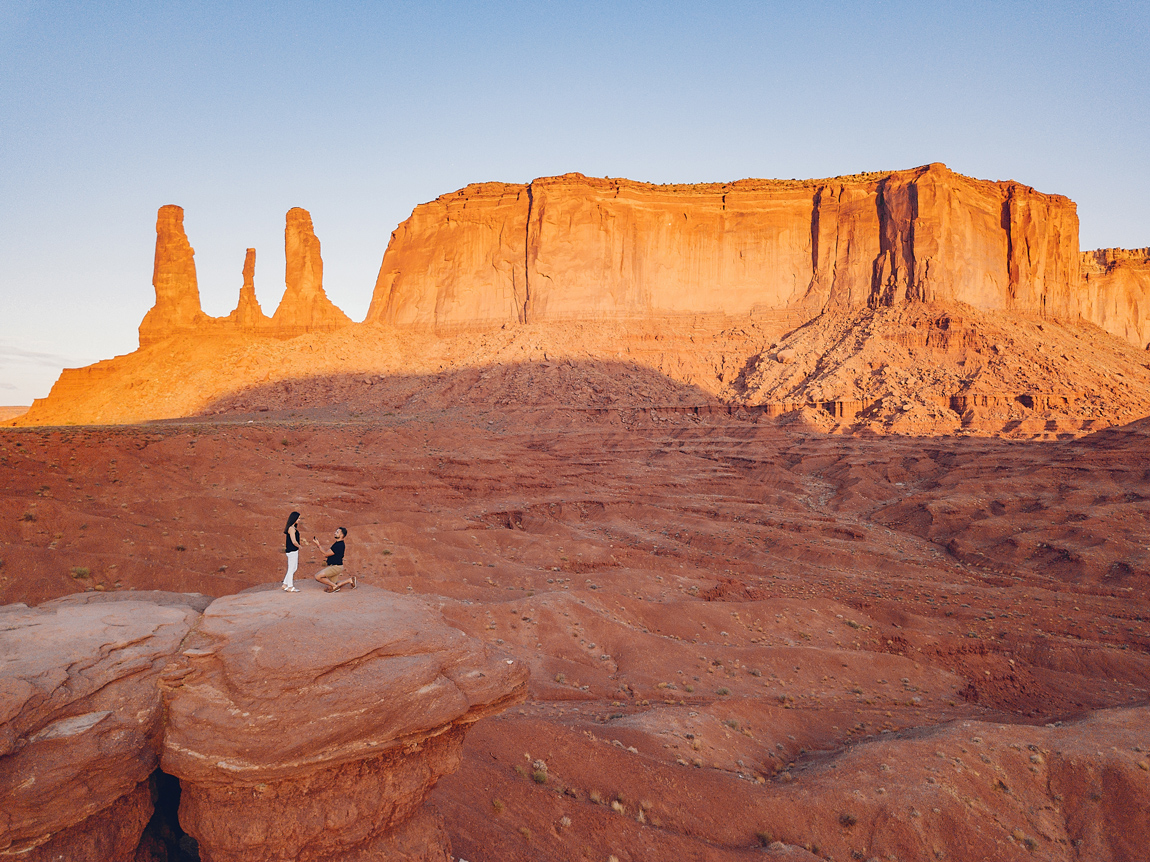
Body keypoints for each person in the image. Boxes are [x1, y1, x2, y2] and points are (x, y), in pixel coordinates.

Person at [312, 527, 356, 592]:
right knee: (330, 587)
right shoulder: (337, 544)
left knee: (317, 576)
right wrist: (319, 546)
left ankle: (335, 587)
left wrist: (318, 544)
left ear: (341, 535)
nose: (335, 533)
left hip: (335, 567)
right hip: (336, 566)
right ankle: (350, 580)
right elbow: (325, 554)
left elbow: (326, 554)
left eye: (337, 532)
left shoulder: (339, 545)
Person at [281, 511, 302, 592]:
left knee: (294, 568)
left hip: (292, 551)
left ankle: (285, 584)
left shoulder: (292, 528)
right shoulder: (291, 528)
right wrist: (299, 546)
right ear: (294, 518)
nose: (299, 519)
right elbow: (294, 541)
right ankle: (290, 586)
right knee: (291, 568)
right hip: (292, 551)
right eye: (298, 518)